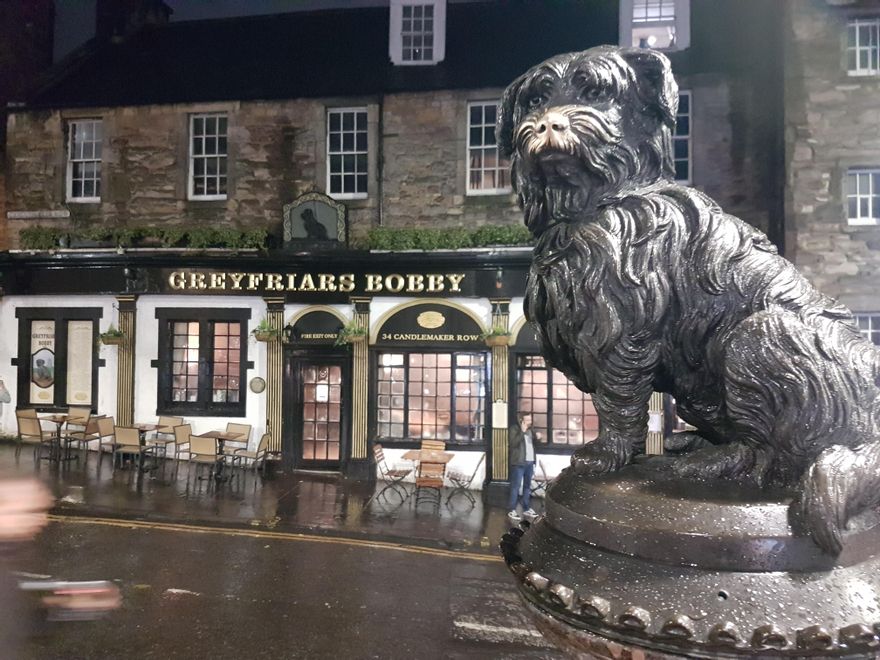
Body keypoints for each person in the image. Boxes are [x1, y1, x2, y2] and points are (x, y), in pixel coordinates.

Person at [508, 412, 540, 521]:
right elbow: (513, 444)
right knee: (515, 486)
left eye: (530, 420)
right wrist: (522, 432)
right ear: (521, 420)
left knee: (527, 487)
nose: (529, 422)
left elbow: (535, 445)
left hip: (530, 462)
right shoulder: (514, 429)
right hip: (519, 463)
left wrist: (538, 438)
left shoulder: (531, 430)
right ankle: (512, 509)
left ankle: (526, 508)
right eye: (527, 420)